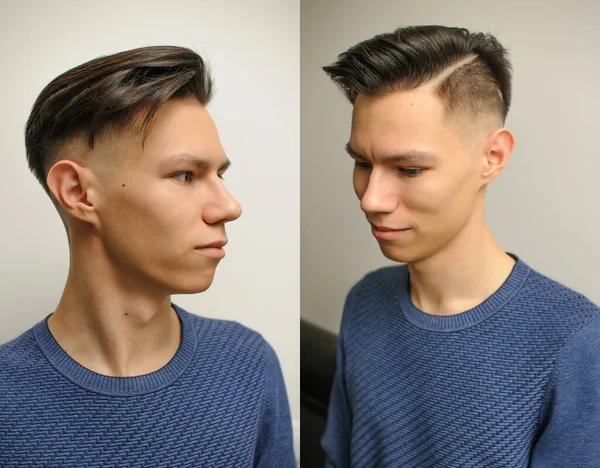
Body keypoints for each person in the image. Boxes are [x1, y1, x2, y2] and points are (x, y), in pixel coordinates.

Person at [0, 45, 295, 467]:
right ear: (78, 192)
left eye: (219, 174)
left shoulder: (248, 363)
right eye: (185, 175)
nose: (229, 206)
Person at [320, 25, 600, 467]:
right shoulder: (366, 300)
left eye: (408, 169)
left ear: (493, 158)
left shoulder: (575, 341)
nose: (371, 198)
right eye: (361, 162)